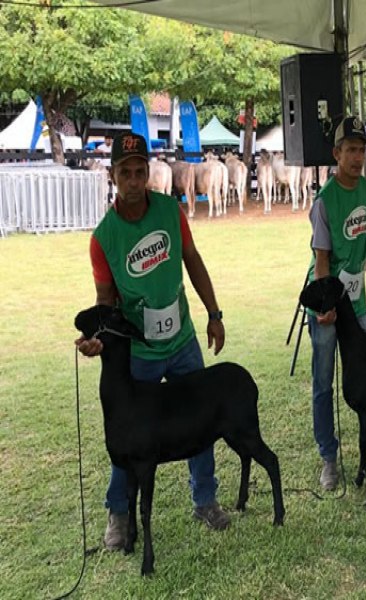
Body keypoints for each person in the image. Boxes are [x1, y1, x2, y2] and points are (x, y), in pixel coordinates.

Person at [74, 132, 230, 550]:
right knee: (129, 437)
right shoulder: (102, 238)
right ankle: (118, 514)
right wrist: (97, 341)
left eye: (139, 171)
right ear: (112, 176)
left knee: (200, 420)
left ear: (147, 173)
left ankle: (205, 499)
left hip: (180, 340)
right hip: (138, 352)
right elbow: (105, 302)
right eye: (125, 172)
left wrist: (214, 315)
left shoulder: (169, 210)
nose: (133, 180)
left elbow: (192, 261)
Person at [307, 116, 366, 491]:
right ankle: (329, 458)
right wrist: (324, 308)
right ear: (336, 153)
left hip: (358, 306)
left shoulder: (365, 189)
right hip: (330, 308)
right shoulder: (325, 201)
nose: (358, 157)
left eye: (362, 150)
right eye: (351, 150)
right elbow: (322, 258)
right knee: (324, 383)